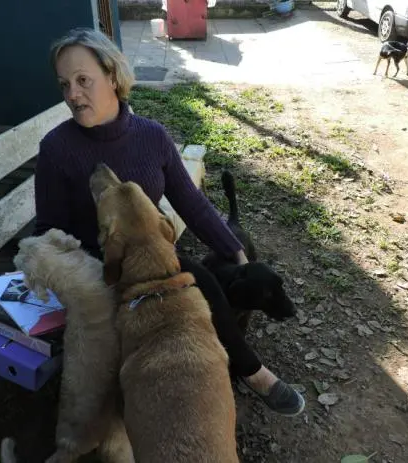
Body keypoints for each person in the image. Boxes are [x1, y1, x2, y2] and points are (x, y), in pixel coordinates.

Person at [32, 27, 304, 417]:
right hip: (95, 272)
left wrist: (236, 251)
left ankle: (250, 371)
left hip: (153, 263)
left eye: (82, 80)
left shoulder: (151, 137)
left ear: (112, 76)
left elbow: (192, 204)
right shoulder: (57, 149)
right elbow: (48, 232)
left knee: (207, 280)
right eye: (64, 84)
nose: (72, 94)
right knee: (186, 292)